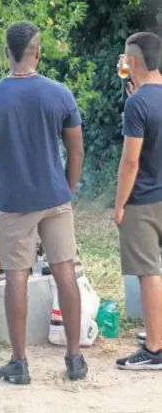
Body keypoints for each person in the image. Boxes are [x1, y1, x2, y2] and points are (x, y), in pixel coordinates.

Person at [0, 21, 87, 383]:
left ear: (8, 52)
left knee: (16, 278)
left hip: (14, 201)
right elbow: (76, 149)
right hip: (55, 197)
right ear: (36, 51)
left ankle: (19, 363)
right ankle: (75, 358)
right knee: (64, 272)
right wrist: (65, 189)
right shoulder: (60, 93)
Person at [114, 32, 162, 370]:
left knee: (149, 273)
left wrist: (119, 204)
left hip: (144, 198)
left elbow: (130, 161)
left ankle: (155, 348)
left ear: (132, 62)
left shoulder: (137, 103)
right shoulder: (146, 98)